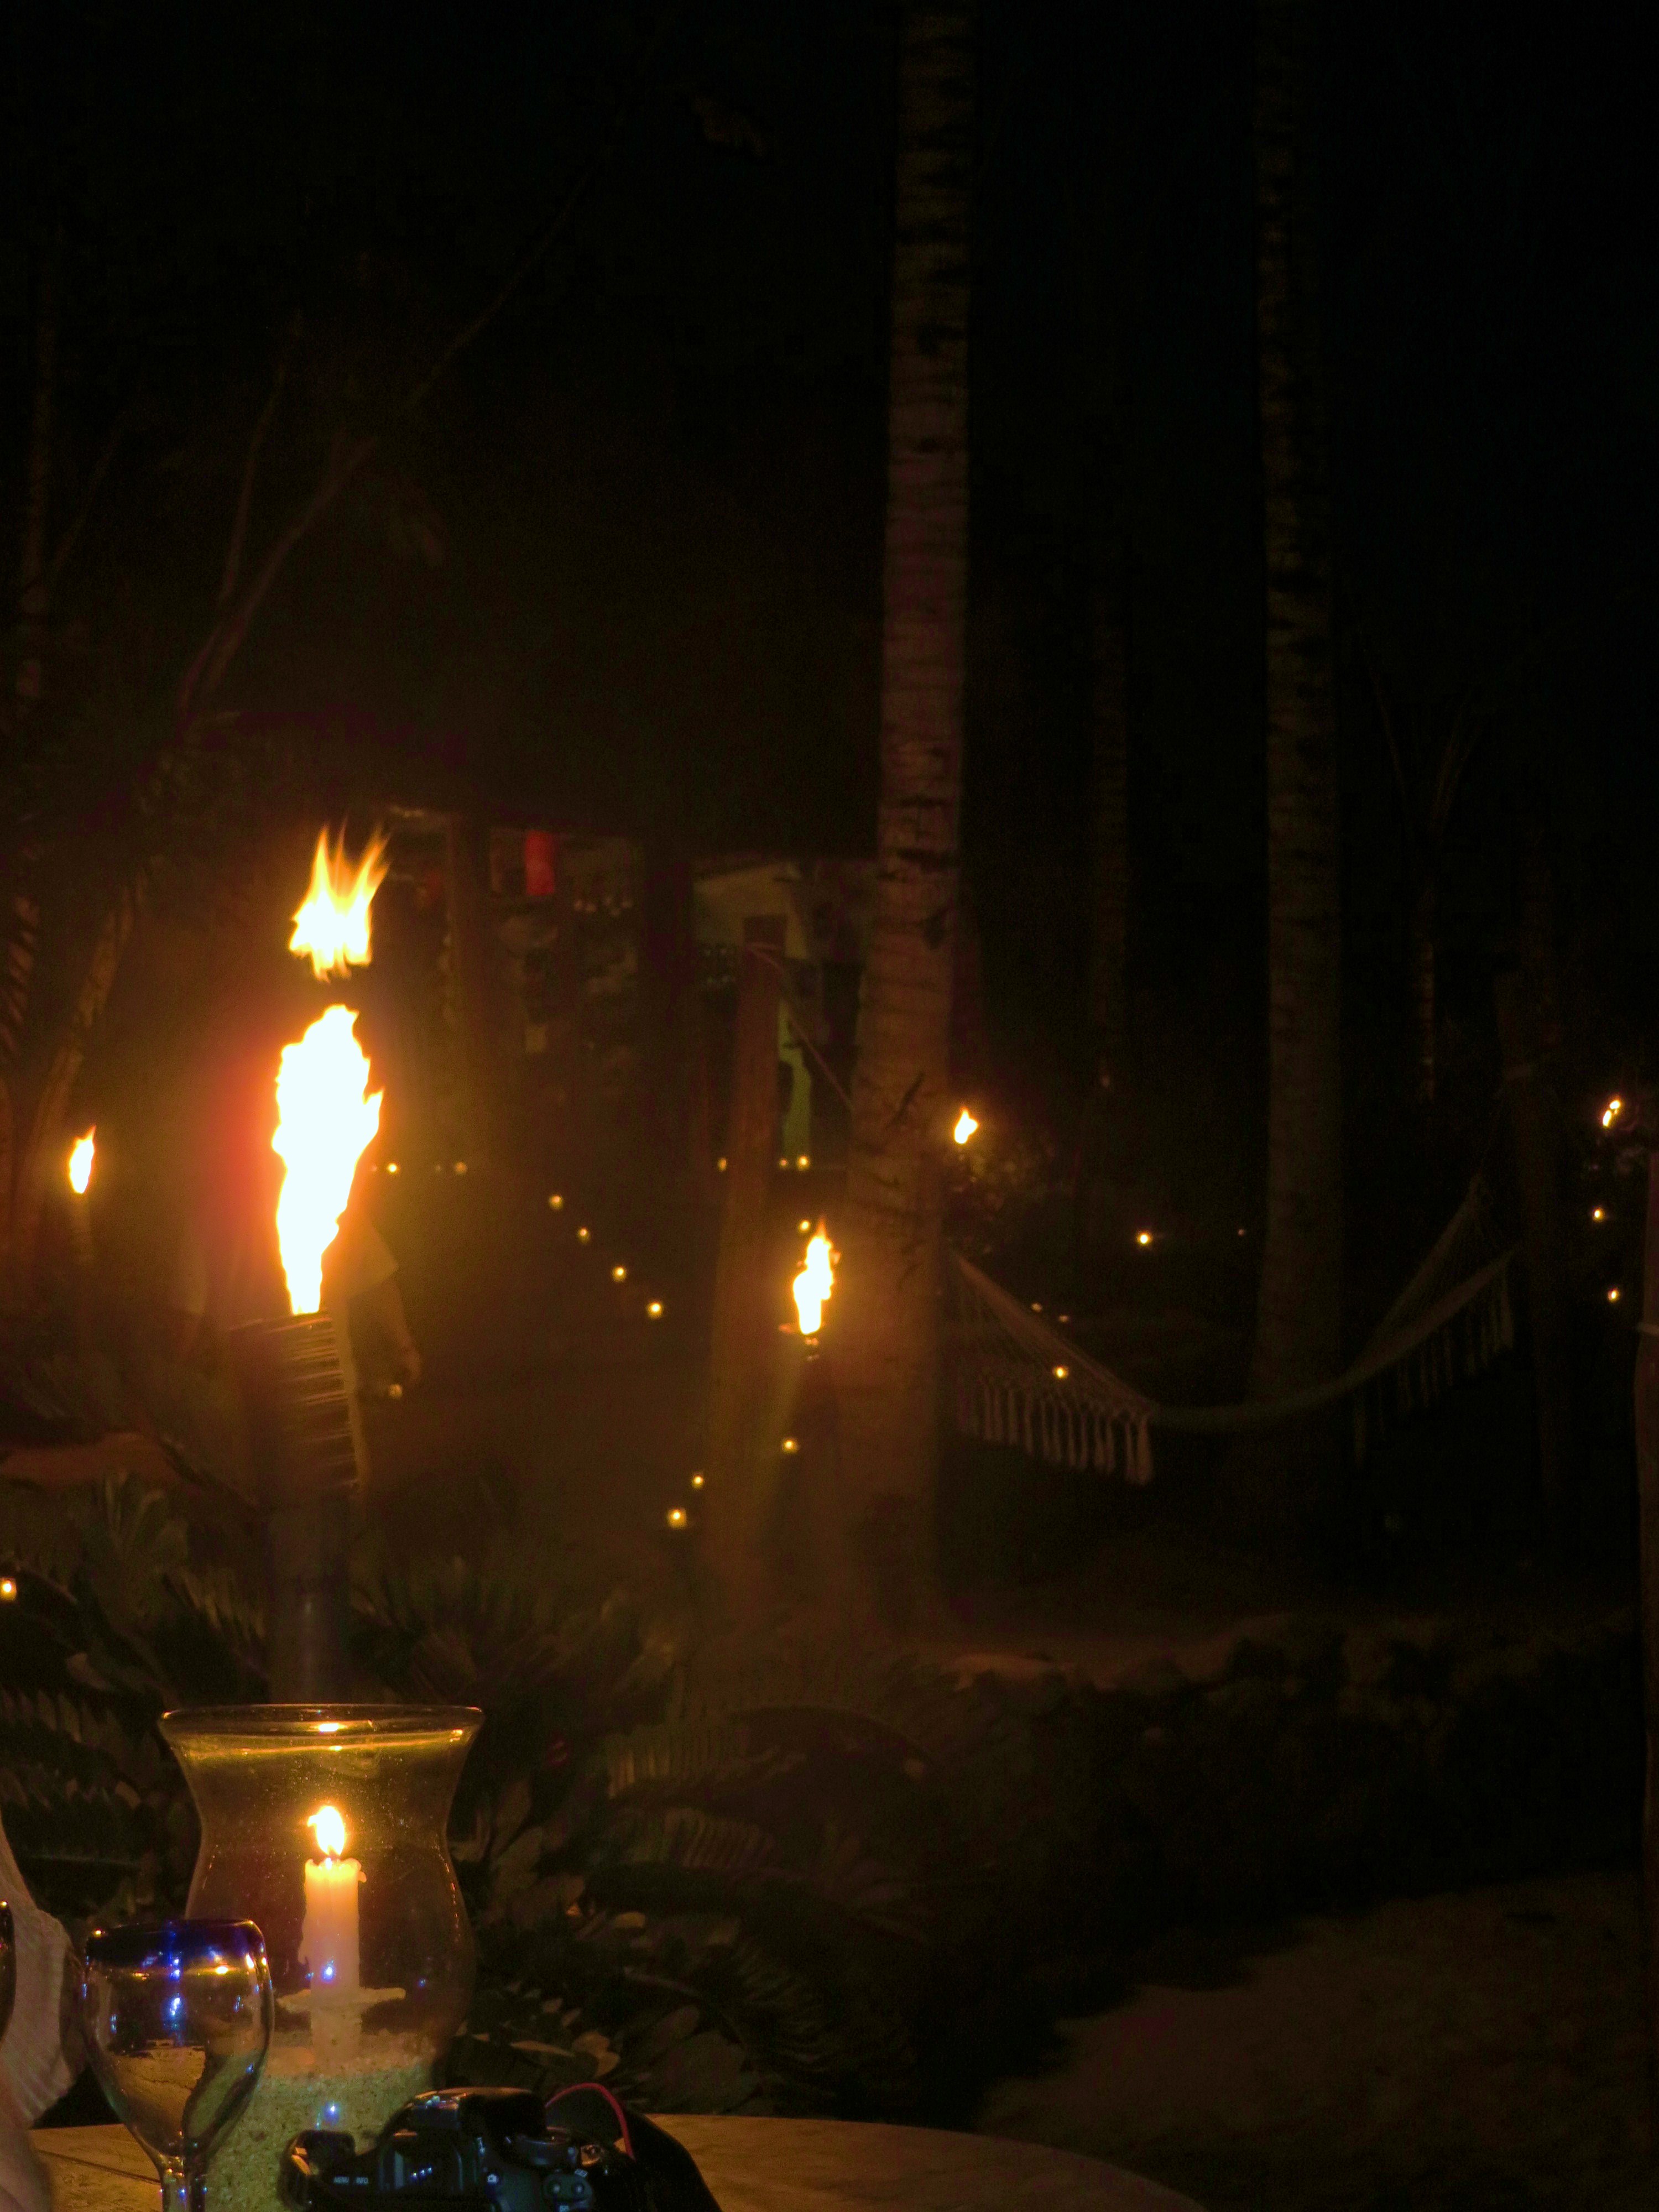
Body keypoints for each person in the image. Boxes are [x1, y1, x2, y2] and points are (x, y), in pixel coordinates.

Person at [167, 1036, 420, 1488]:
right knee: (332, 1506)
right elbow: (378, 1281)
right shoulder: (324, 1200)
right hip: (291, 1400)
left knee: (277, 1508)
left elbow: (185, 1328)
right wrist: (404, 1349)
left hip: (264, 1400)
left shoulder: (222, 1215)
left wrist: (172, 1388)